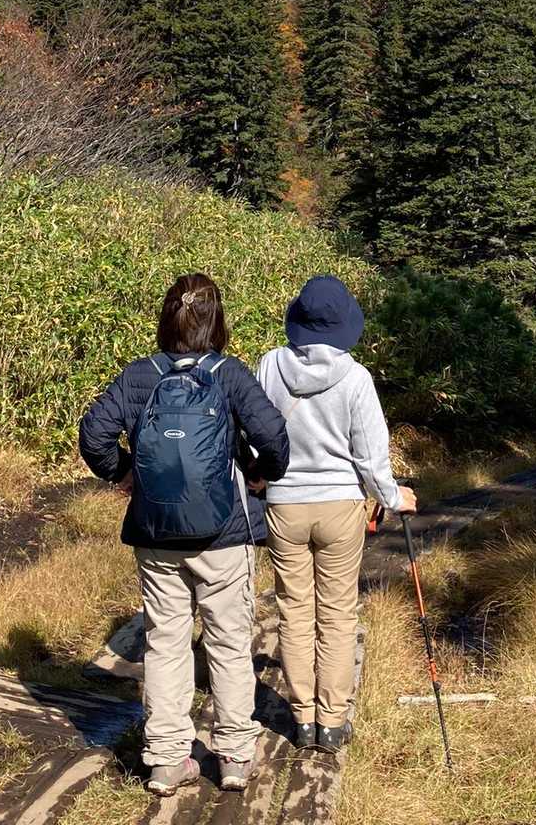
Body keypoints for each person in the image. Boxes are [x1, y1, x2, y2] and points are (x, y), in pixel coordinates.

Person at [79, 273, 289, 798]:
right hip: (225, 535)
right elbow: (273, 434)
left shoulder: (139, 375)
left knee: (165, 642)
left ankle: (167, 759)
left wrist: (123, 473)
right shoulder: (229, 374)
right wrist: (262, 474)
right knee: (229, 642)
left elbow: (94, 433)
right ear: (216, 322)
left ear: (165, 319)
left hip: (155, 534)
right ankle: (234, 755)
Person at [256, 275, 416, 753]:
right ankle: (331, 721)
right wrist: (393, 497)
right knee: (338, 614)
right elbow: (370, 457)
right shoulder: (356, 377)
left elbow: (254, 435)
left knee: (294, 610)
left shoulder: (269, 365)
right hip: (341, 507)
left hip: (284, 503)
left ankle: (302, 718)